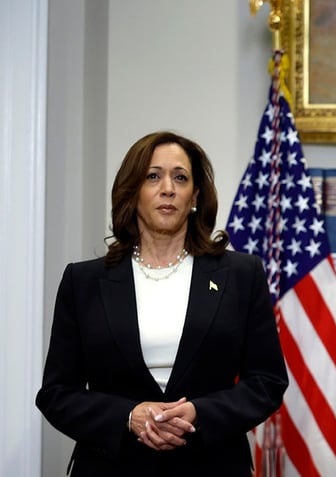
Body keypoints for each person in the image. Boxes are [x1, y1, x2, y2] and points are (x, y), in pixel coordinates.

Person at [36, 131, 288, 476]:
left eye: (180, 177)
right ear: (132, 192)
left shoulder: (242, 275)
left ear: (194, 196)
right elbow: (57, 393)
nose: (167, 188)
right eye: (153, 176)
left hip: (212, 464)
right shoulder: (83, 282)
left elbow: (267, 382)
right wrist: (128, 417)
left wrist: (200, 413)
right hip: (112, 466)